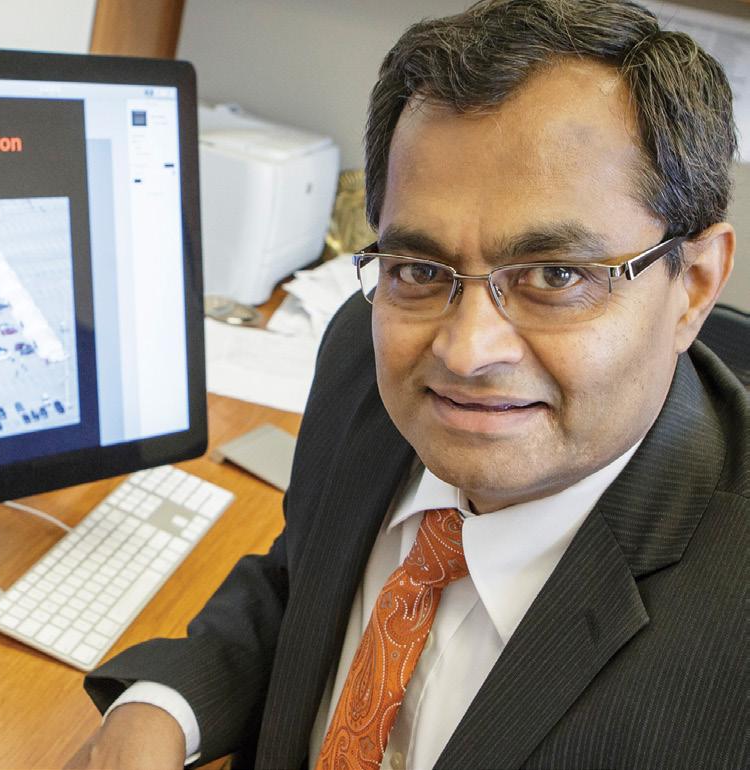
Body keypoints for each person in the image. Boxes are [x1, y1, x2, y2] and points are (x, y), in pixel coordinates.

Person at [70, 1, 748, 768]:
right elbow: (302, 577)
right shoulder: (359, 359)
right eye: (421, 269)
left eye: (556, 276)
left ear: (694, 286)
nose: (464, 352)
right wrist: (163, 708)